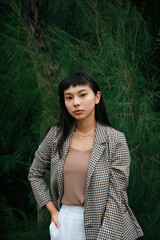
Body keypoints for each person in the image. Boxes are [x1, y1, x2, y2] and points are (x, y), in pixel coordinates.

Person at [28, 72, 144, 240]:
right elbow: (34, 173)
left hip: (106, 222)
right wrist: (53, 210)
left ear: (97, 97)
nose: (76, 102)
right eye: (69, 98)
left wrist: (106, 237)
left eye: (83, 95)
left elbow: (116, 196)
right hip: (65, 223)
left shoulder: (115, 139)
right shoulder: (56, 135)